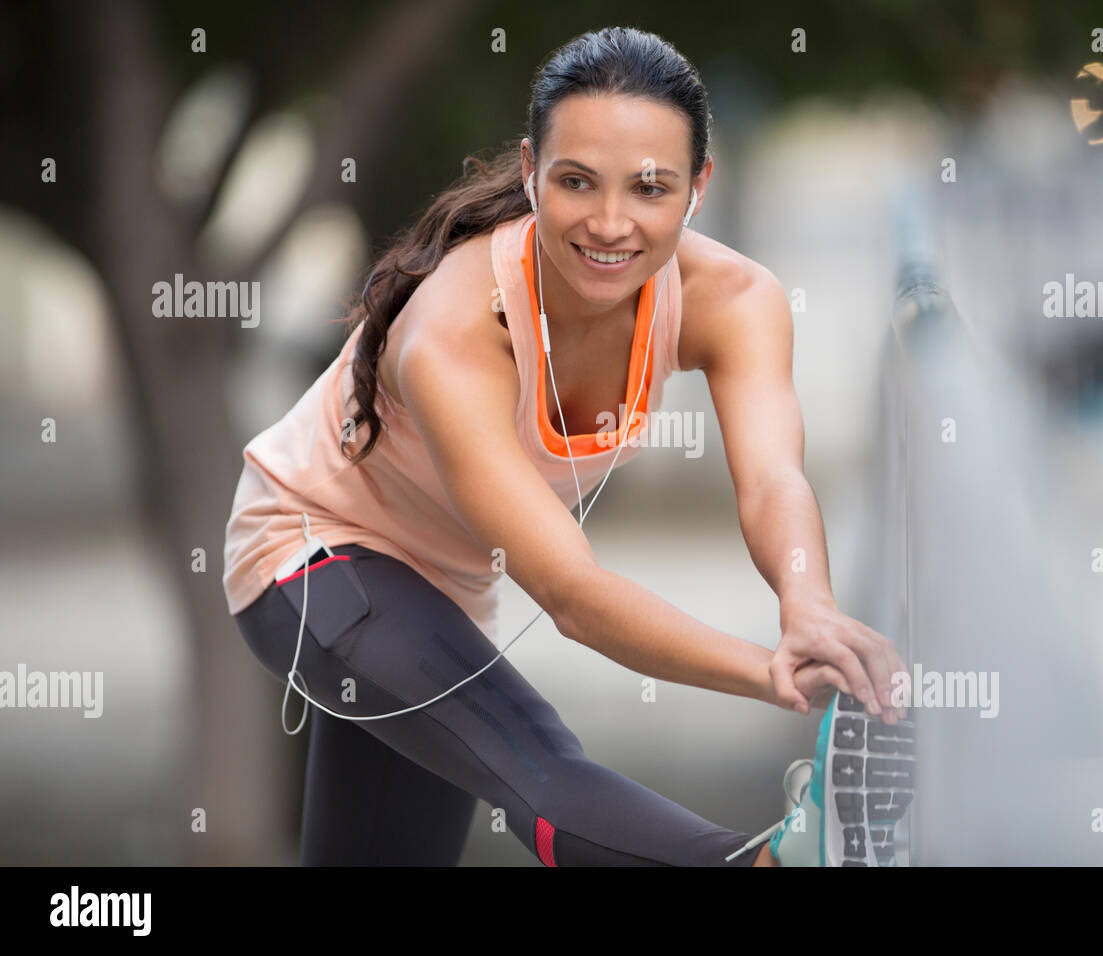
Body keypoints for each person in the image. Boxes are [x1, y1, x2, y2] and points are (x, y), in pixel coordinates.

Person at [223, 25, 905, 867]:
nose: (611, 224)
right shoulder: (457, 329)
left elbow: (771, 479)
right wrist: (772, 670)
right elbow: (573, 595)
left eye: (650, 188)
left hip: (443, 592)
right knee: (534, 765)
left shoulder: (735, 299)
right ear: (530, 172)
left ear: (699, 187)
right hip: (312, 557)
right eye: (577, 182)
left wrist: (809, 608)